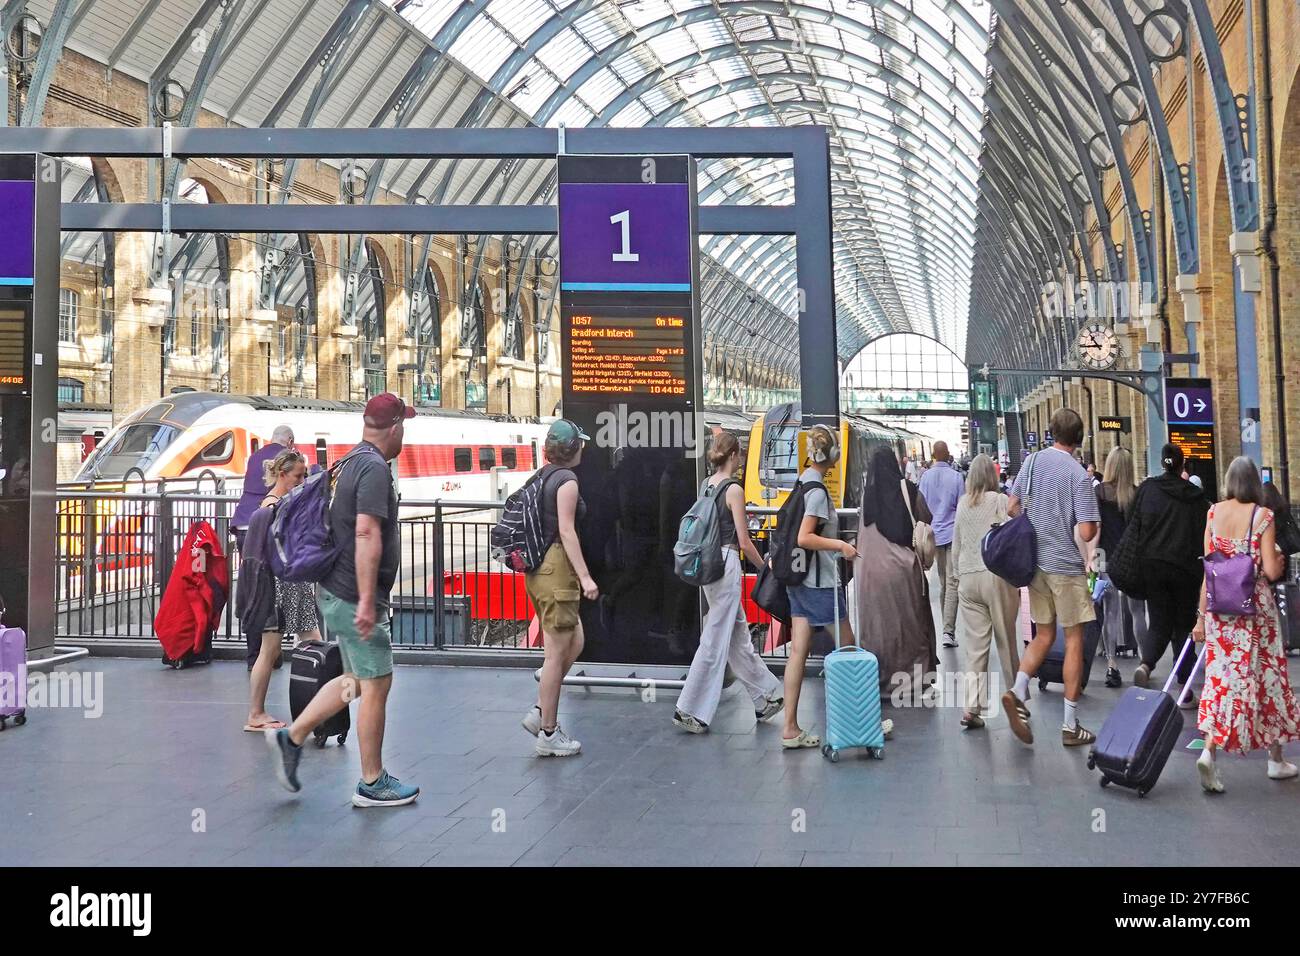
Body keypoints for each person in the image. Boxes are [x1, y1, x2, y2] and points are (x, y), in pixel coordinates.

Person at [267, 394, 419, 807]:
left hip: (337, 588)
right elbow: (367, 533)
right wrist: (368, 600)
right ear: (395, 428)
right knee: (376, 684)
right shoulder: (371, 468)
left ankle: (292, 738)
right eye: (405, 424)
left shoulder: (352, 459)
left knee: (353, 681)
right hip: (355, 593)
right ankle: (372, 782)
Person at [1192, 456, 1300, 792]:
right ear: (1254, 483)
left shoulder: (1213, 513)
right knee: (1269, 677)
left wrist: (1200, 618)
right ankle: (1275, 759)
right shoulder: (1262, 516)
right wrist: (1278, 562)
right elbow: (1269, 570)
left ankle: (1210, 751)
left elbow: (1210, 569)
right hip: (1256, 613)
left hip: (1221, 612)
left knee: (1224, 679)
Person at [1000, 408, 1101, 748]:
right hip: (1066, 568)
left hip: (1036, 564)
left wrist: (1036, 523)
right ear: (1079, 438)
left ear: (1050, 432)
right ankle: (1071, 725)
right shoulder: (1079, 475)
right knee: (1073, 640)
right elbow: (1087, 532)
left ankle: (1017, 689)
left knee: (1042, 635)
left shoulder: (1031, 462)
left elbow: (1012, 506)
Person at [673, 432, 784, 733]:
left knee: (737, 638)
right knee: (715, 638)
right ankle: (688, 708)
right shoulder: (733, 489)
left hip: (707, 565)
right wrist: (765, 570)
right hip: (726, 562)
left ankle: (766, 698)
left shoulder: (705, 485)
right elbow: (745, 541)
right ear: (734, 455)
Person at [519, 420, 599, 757]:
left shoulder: (539, 477)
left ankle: (541, 710)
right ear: (573, 449)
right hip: (556, 568)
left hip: (537, 569)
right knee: (555, 654)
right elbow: (567, 532)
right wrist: (585, 577)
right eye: (580, 443)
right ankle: (549, 732)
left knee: (574, 639)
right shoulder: (567, 481)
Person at [780, 425, 857, 749]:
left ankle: (790, 728)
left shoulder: (803, 482)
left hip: (799, 581)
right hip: (819, 583)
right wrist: (840, 545)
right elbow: (805, 537)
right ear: (834, 455)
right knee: (850, 648)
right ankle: (861, 719)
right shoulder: (816, 492)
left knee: (798, 651)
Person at [239, 448, 319, 732]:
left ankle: (317, 710)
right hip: (279, 586)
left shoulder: (276, 504)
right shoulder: (273, 508)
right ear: (283, 474)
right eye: (298, 475)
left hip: (288, 584)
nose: (302, 480)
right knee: (271, 649)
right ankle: (256, 714)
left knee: (309, 641)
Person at [853, 445, 937, 703]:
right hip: (903, 572)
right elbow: (926, 519)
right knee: (910, 626)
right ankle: (912, 682)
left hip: (869, 574)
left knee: (877, 629)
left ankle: (877, 681)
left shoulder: (866, 499)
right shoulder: (908, 491)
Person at [1129, 445, 1210, 704]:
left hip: (1152, 566)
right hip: (1185, 569)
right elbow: (1203, 532)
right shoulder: (1194, 496)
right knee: (1183, 626)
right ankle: (1185, 688)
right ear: (1181, 464)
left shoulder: (1148, 489)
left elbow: (1134, 520)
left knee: (1160, 619)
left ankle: (1146, 664)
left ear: (1163, 463)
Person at [951, 454, 1019, 729]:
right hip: (996, 577)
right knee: (1006, 641)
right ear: (992, 476)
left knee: (975, 649)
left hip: (967, 579)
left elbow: (956, 545)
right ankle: (1017, 700)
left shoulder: (962, 505)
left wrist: (957, 576)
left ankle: (971, 708)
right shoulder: (1000, 501)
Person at [1095, 446, 1146, 688]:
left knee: (1110, 612)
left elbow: (1094, 528)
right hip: (1133, 560)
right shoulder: (1137, 494)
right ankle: (1146, 663)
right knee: (1138, 612)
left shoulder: (1099, 493)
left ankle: (1112, 664)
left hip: (1107, 558)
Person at [919, 441, 966, 649]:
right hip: (953, 533)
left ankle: (946, 629)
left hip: (933, 535)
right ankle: (948, 631)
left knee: (943, 580)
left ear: (933, 455)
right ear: (947, 455)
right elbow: (962, 506)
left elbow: (920, 507)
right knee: (952, 581)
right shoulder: (957, 477)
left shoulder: (925, 477)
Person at [232, 424, 294, 550]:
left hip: (242, 523)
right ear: (290, 441)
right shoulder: (288, 457)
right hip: (266, 526)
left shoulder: (254, 456)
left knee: (247, 568)